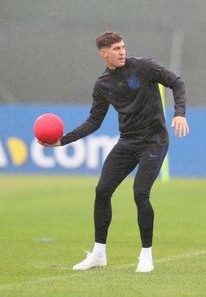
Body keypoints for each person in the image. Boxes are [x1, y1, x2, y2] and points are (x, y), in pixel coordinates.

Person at [40, 31, 189, 272]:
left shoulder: (144, 67)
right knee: (102, 191)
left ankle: (146, 255)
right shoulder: (103, 85)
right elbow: (94, 121)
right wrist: (62, 141)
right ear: (104, 53)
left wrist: (179, 113)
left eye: (123, 47)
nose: (122, 52)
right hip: (128, 142)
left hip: (154, 141)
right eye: (116, 49)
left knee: (140, 193)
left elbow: (176, 82)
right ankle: (99, 254)